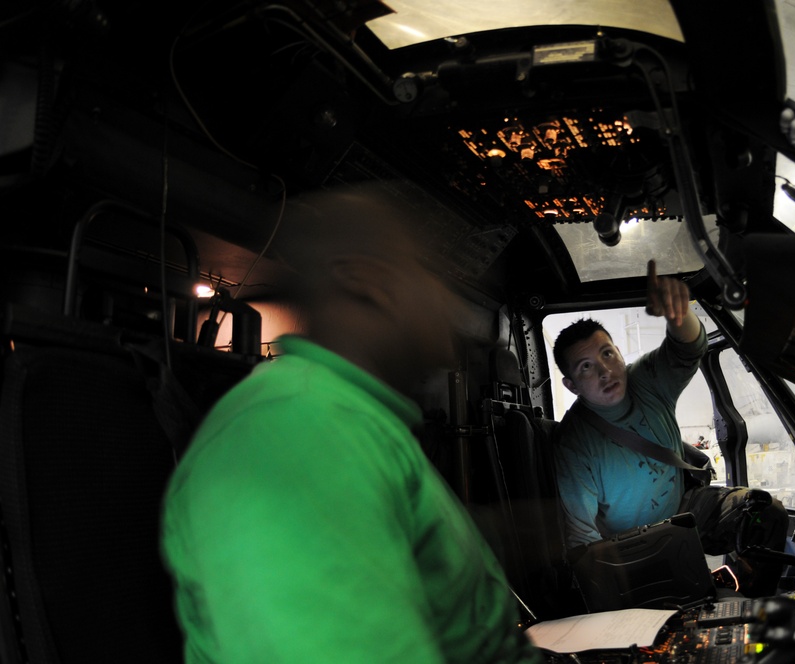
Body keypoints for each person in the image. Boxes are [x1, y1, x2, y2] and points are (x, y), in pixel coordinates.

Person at [160, 182, 543, 663]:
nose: (446, 303)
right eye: (428, 274)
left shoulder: (355, 422)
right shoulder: (294, 433)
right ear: (365, 280)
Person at [551, 259, 788, 597]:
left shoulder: (645, 380)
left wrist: (680, 318)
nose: (605, 371)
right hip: (631, 540)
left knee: (765, 513)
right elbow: (582, 535)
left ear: (619, 352)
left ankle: (751, 607)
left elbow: (687, 348)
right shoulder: (574, 442)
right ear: (571, 385)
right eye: (587, 367)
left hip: (684, 507)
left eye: (607, 354)